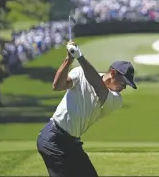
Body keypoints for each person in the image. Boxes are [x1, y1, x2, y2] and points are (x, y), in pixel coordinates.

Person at [36, 41, 137, 177]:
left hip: (71, 142)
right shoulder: (80, 73)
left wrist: (80, 57)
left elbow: (98, 87)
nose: (124, 88)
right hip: (53, 138)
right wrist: (69, 59)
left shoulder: (116, 99)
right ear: (113, 73)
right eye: (123, 82)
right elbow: (58, 86)